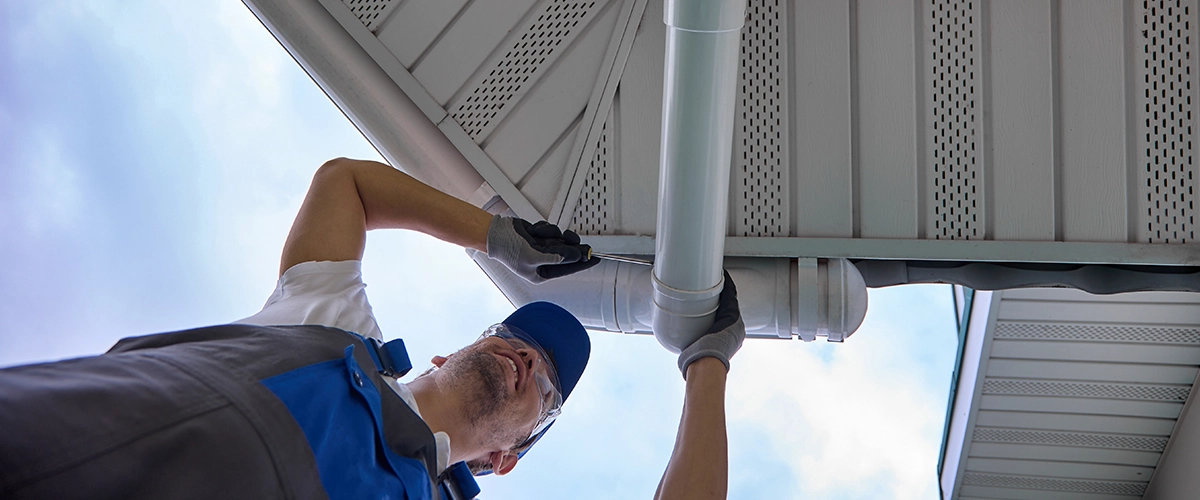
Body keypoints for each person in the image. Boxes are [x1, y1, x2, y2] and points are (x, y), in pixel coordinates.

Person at [0, 157, 745, 500]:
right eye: (513, 336)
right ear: (453, 351)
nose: (526, 355)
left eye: (545, 382)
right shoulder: (329, 325)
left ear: (510, 457)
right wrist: (495, 235)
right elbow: (344, 184)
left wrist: (706, 365)